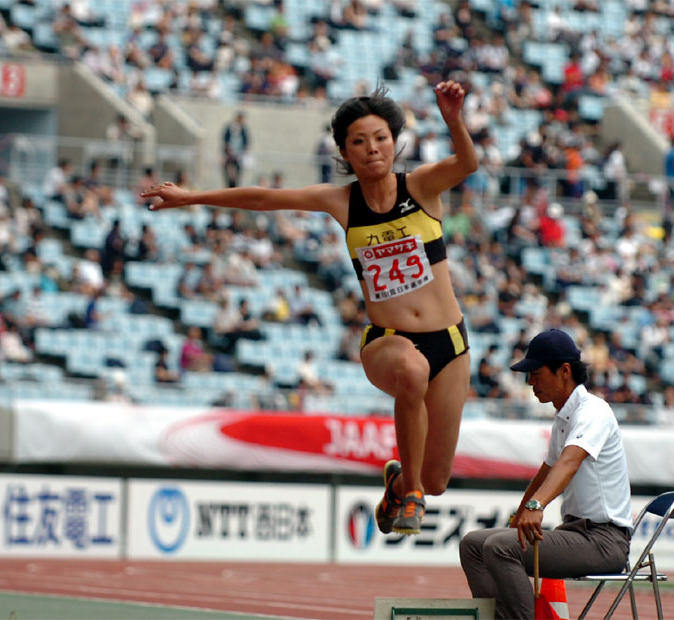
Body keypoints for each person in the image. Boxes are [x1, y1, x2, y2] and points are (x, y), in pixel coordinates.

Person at [142, 80, 477, 536]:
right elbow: (262, 198)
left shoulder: (420, 187)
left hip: (451, 343)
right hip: (389, 342)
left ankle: (405, 481)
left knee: (438, 479)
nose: (372, 149)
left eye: (380, 138)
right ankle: (411, 497)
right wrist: (192, 197)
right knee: (411, 372)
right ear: (343, 151)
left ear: (395, 143)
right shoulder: (340, 202)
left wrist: (453, 119)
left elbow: (468, 162)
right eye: (359, 142)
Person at [459, 329, 633, 619]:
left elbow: (568, 463)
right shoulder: (564, 417)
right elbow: (546, 471)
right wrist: (519, 514)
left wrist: (536, 506)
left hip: (605, 541)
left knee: (501, 548)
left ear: (564, 371)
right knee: (473, 545)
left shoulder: (594, 412)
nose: (530, 382)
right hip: (576, 533)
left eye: (536, 373)